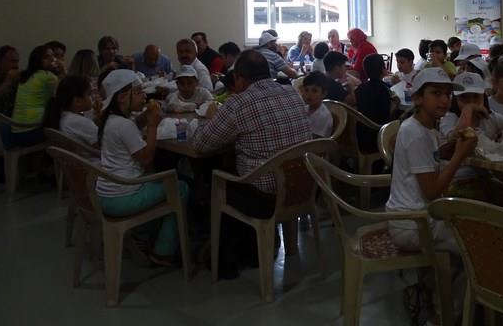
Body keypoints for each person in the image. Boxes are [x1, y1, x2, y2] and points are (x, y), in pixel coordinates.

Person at [190, 50, 311, 276]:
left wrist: (209, 118)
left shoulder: (240, 103)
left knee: (215, 177)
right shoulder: (292, 92)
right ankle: (258, 246)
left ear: (239, 79)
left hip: (264, 197)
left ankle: (225, 253)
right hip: (302, 185)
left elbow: (200, 144)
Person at [385, 68, 476, 325]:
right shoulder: (415, 134)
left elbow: (434, 160)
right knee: (477, 248)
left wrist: (452, 146)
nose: (445, 100)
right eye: (436, 93)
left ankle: (427, 292)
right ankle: (444, 314)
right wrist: (460, 155)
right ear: (417, 98)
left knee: (469, 227)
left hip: (419, 216)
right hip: (412, 223)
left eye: (447, 94)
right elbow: (433, 191)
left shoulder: (426, 129)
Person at [96, 70, 188, 266]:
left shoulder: (111, 119)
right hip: (123, 198)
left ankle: (144, 233)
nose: (144, 95)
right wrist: (152, 125)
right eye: (138, 92)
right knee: (180, 187)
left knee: (160, 178)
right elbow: (146, 159)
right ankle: (163, 251)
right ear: (122, 97)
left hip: (106, 194)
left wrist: (145, 117)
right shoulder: (123, 126)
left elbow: (133, 125)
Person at [10, 45, 60, 147]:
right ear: (38, 61)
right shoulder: (47, 76)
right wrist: (63, 70)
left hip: (15, 130)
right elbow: (65, 93)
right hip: (32, 130)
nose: (53, 59)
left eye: (53, 56)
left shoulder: (25, 76)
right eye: (47, 57)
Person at [42, 75, 99, 149]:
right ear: (77, 101)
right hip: (90, 156)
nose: (93, 97)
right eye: (89, 94)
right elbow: (104, 144)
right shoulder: (80, 122)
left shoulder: (61, 117)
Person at [355, 54, 397, 149]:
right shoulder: (384, 90)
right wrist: (395, 104)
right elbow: (386, 115)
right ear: (383, 70)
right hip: (378, 136)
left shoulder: (360, 88)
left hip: (361, 134)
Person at [300, 71, 332, 137]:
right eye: (306, 90)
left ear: (324, 94)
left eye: (314, 91)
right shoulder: (306, 108)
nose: (309, 94)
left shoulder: (323, 116)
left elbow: (316, 140)